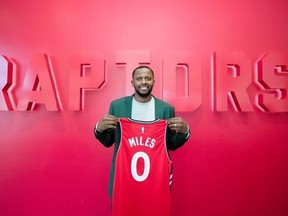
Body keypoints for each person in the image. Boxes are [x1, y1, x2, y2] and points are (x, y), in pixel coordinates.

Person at [94, 65, 190, 216]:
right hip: (123, 180)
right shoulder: (117, 106)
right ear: (132, 82)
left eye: (148, 78)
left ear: (154, 81)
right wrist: (99, 127)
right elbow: (108, 141)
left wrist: (185, 131)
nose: (144, 82)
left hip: (154, 181)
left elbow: (169, 144)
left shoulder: (166, 109)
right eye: (139, 79)